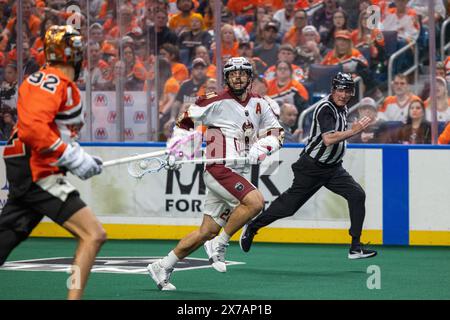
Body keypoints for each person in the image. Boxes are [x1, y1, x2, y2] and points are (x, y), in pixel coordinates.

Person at [147, 57, 284, 290]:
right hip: (218, 168)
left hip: (237, 171)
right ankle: (220, 243)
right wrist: (178, 149)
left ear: (250, 77)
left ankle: (162, 265)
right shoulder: (214, 101)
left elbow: (277, 132)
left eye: (242, 73)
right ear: (226, 78)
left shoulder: (260, 103)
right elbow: (184, 121)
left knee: (206, 231)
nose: (238, 77)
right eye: (233, 74)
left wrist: (264, 146)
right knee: (255, 202)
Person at [0, 25, 106, 300]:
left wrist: (77, 156)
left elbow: (49, 131)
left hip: (29, 168)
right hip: (37, 169)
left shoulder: (49, 81)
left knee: (8, 235)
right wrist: (70, 156)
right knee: (92, 234)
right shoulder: (51, 82)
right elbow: (33, 129)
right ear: (76, 55)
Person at [239, 72, 378, 259]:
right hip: (312, 167)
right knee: (288, 207)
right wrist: (353, 130)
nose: (344, 94)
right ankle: (253, 226)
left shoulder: (342, 108)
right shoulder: (325, 108)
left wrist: (353, 133)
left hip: (333, 168)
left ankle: (355, 246)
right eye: (340, 90)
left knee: (357, 195)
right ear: (332, 90)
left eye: (348, 90)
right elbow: (328, 139)